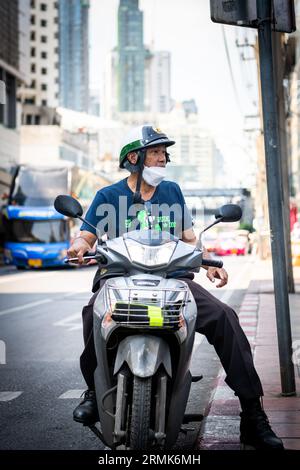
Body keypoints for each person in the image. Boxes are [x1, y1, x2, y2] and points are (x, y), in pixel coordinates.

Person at [67, 125, 283, 450]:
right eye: (155, 152)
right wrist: (78, 246)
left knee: (224, 317)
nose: (163, 159)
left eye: (164, 153)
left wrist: (209, 265)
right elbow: (86, 236)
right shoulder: (108, 196)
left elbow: (190, 239)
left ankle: (252, 415)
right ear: (134, 158)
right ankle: (94, 392)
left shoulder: (172, 192)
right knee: (91, 314)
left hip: (173, 280)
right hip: (120, 280)